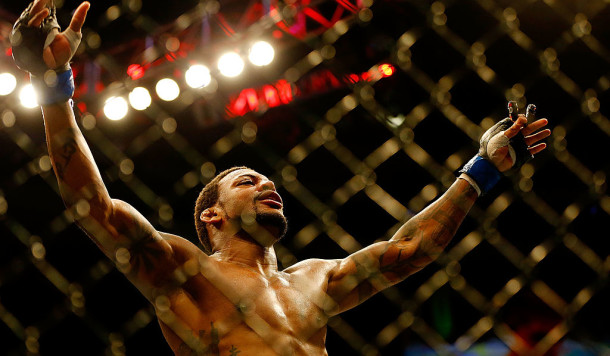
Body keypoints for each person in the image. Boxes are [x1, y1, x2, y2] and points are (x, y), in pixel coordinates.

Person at [11, 1, 551, 355]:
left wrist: (481, 169)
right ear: (212, 214)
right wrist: (56, 84)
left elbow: (408, 250)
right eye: (246, 181)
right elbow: (93, 206)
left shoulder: (314, 279)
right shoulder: (183, 270)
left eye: (268, 181)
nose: (268, 185)